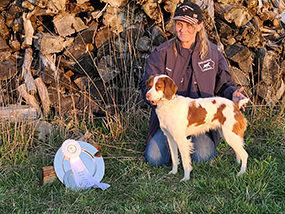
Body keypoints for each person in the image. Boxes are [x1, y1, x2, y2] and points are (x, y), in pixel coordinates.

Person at [139, 1, 246, 167]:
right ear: (175, 25)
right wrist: (151, 98)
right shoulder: (162, 53)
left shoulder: (213, 54)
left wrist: (233, 94)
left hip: (201, 120)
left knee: (203, 157)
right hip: (170, 117)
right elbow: (147, 83)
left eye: (189, 25)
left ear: (199, 26)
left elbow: (224, 84)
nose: (183, 30)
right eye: (179, 24)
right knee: (155, 159)